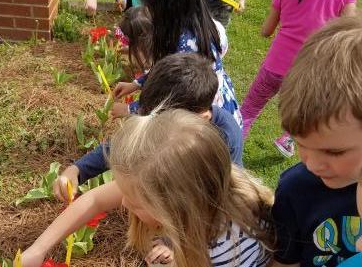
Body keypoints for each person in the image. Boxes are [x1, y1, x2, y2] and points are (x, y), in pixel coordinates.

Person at [22, 110, 273, 267]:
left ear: (174, 208)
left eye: (136, 204)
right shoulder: (192, 189)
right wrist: (37, 250)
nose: (123, 203)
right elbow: (94, 200)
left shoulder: (227, 251)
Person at [54, 52, 244, 203]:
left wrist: (170, 242)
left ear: (201, 119)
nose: (152, 125)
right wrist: (77, 170)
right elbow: (124, 144)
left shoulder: (226, 141)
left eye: (158, 122)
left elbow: (214, 201)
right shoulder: (170, 119)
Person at [240, 0, 356, 156]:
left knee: (248, 110)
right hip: (310, 72)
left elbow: (265, 30)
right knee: (305, 113)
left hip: (275, 66)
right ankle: (288, 139)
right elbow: (347, 34)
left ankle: (232, 147)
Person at [270, 16, 362, 267]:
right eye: (300, 144)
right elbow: (284, 261)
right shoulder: (296, 189)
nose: (311, 164)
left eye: (334, 152)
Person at [112, 0, 243, 128]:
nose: (148, 12)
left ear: (168, 6)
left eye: (150, 6)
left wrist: (130, 110)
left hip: (206, 126)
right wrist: (136, 83)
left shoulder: (187, 48)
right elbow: (167, 70)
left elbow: (171, 99)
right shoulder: (204, 24)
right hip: (217, 107)